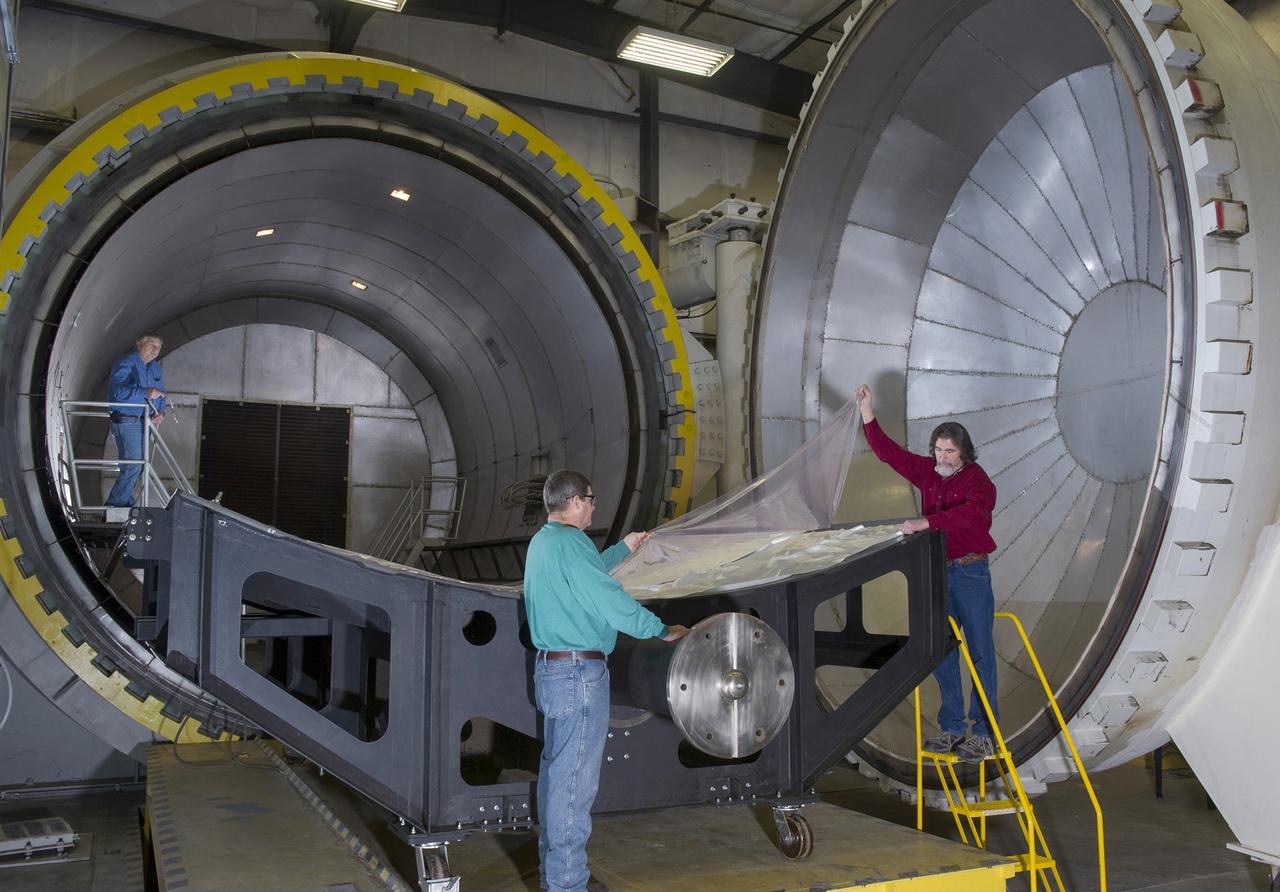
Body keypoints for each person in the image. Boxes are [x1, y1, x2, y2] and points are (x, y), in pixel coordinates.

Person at [524, 470, 687, 892]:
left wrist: (623, 548)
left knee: (557, 779)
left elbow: (586, 575)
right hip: (580, 675)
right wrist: (660, 629)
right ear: (575, 501)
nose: (595, 507)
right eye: (592, 500)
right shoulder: (573, 544)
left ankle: (556, 879)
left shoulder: (544, 543)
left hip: (551, 671)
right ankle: (567, 886)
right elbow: (607, 598)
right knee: (574, 787)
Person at [854, 383, 999, 764]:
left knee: (981, 654)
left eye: (950, 451)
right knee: (943, 651)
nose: (943, 456)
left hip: (971, 574)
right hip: (939, 574)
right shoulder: (930, 472)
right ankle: (952, 728)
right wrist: (867, 411)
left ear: (964, 452)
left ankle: (984, 734)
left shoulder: (978, 482)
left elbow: (970, 515)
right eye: (938, 450)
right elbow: (890, 455)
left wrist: (926, 523)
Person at [104, 332, 166, 510]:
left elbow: (160, 392)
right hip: (127, 421)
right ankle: (115, 508)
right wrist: (145, 393)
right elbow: (118, 394)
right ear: (139, 344)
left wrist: (161, 412)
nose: (155, 351)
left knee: (137, 468)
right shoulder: (125, 364)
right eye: (151, 345)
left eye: (158, 348)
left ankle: (123, 505)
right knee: (133, 467)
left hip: (143, 422)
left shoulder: (154, 368)